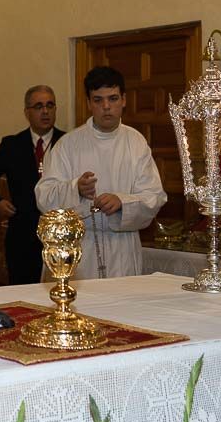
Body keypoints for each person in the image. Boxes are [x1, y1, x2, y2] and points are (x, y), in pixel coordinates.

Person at [35, 66, 166, 278]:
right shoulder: (68, 145)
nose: (106, 107)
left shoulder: (136, 142)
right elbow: (43, 196)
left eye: (113, 99)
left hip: (122, 249)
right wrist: (75, 188)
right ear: (88, 103)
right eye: (98, 100)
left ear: (123, 100)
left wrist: (122, 203)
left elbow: (154, 196)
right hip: (79, 251)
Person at [0, 85, 64, 285]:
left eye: (50, 105)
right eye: (39, 106)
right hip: (22, 234)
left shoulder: (67, 142)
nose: (45, 111)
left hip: (59, 234)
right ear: (27, 112)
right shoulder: (13, 145)